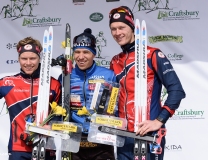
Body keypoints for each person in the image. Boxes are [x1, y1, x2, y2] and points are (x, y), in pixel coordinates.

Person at [108, 6, 186, 160]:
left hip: (149, 134)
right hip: (123, 135)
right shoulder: (115, 61)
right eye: (113, 29)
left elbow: (177, 90)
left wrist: (159, 121)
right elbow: (114, 95)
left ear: (132, 27)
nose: (117, 33)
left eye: (122, 27)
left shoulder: (152, 54)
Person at [0, 37, 61, 160]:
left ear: (40, 58)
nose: (28, 63)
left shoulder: (53, 84)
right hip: (19, 149)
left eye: (32, 58)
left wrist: (51, 125)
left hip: (46, 148)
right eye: (24, 59)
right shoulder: (8, 83)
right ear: (18, 59)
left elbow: (60, 116)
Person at [69, 28, 117, 160]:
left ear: (94, 54)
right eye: (77, 52)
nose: (81, 56)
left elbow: (115, 106)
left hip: (101, 139)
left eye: (86, 52)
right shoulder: (67, 76)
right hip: (75, 140)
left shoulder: (108, 75)